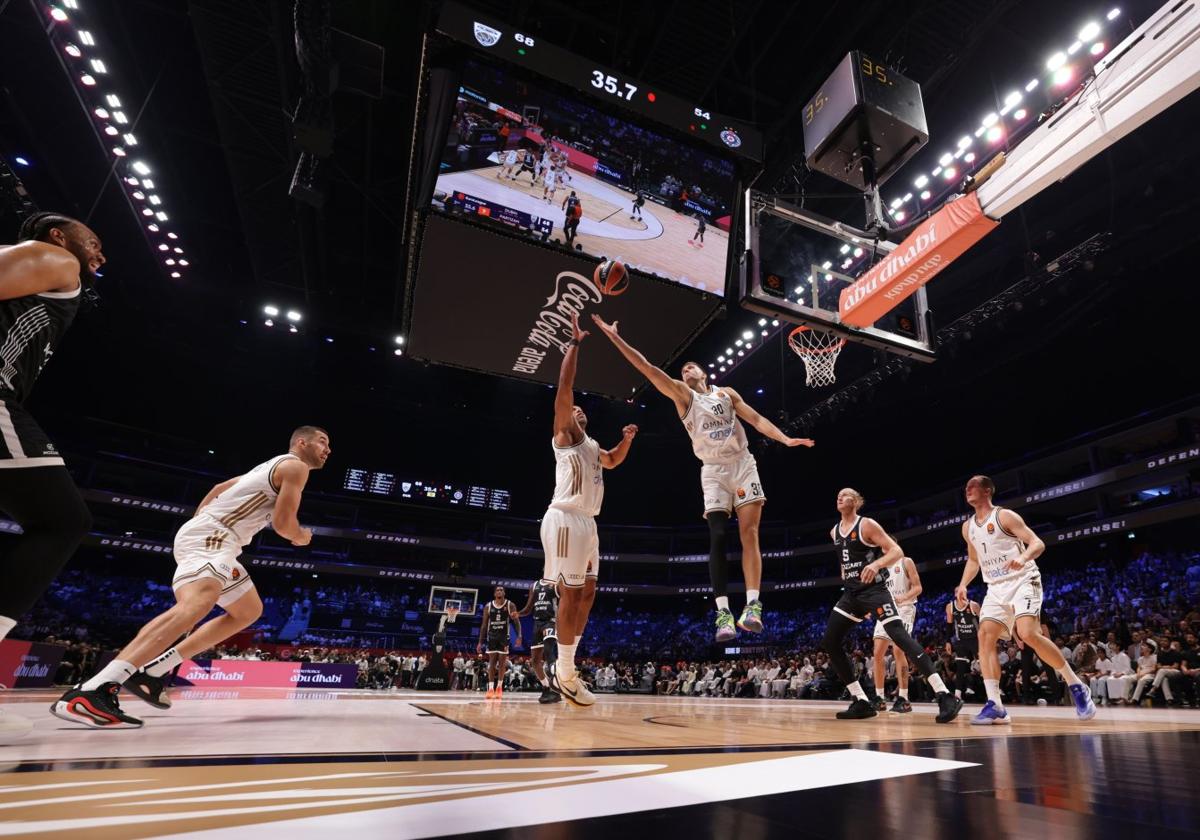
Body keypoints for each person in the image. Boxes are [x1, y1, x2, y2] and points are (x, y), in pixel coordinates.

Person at [51, 426, 331, 727]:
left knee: (248, 610)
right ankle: (94, 690)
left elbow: (220, 487)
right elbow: (283, 525)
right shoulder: (295, 467)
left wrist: (199, 523)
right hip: (215, 537)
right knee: (197, 604)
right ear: (301, 442)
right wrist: (301, 536)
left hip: (218, 539)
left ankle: (153, 672)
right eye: (322, 442)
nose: (328, 450)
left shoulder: (268, 467)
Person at [590, 314, 812, 641]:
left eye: (691, 367)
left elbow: (756, 419)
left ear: (704, 373)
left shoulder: (727, 394)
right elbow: (647, 369)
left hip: (742, 463)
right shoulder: (684, 396)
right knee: (718, 535)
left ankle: (753, 606)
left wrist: (785, 439)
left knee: (749, 533)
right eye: (683, 370)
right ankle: (723, 613)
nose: (686, 371)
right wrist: (614, 337)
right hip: (713, 470)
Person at [0, 212, 105, 739]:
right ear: (59, 236)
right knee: (63, 520)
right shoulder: (58, 260)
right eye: (94, 241)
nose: (100, 253)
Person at [543, 312, 638, 707]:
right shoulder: (565, 434)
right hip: (566, 518)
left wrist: (626, 440)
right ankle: (564, 673)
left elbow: (613, 460)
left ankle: (567, 664)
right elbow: (565, 387)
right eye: (574, 408)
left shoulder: (593, 447)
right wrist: (575, 344)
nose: (578, 409)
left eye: (583, 409)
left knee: (589, 592)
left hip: (588, 523)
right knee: (570, 595)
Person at [955, 475, 1096, 723]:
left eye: (973, 486)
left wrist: (1023, 558)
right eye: (966, 486)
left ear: (987, 490)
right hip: (995, 587)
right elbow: (974, 560)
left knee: (1028, 634)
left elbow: (1037, 543)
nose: (967, 489)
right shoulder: (968, 527)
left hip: (1023, 580)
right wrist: (963, 584)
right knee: (984, 636)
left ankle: (1076, 685)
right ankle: (995, 704)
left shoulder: (1004, 516)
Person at [821, 488, 962, 722]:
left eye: (845, 495)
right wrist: (847, 576)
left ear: (856, 501)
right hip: (852, 594)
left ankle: (944, 695)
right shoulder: (834, 531)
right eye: (838, 495)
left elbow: (896, 550)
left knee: (900, 638)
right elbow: (845, 561)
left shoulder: (867, 525)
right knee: (830, 641)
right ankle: (861, 701)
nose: (840, 497)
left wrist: (876, 565)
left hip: (875, 591)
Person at [870, 554, 922, 713]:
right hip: (885, 609)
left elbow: (918, 587)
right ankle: (879, 698)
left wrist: (904, 597)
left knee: (898, 651)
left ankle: (904, 698)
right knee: (877, 653)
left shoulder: (906, 561)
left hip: (904, 608)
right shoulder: (879, 566)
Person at [517, 579, 561, 703]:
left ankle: (556, 689)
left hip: (550, 621)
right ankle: (546, 687)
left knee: (548, 651)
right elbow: (528, 608)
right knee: (535, 660)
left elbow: (563, 604)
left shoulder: (556, 584)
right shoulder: (534, 585)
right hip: (537, 624)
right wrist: (518, 614)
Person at [476, 586, 521, 699]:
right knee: (491, 663)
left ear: (504, 593)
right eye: (497, 590)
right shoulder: (488, 606)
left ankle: (499, 687)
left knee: (501, 663)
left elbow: (516, 622)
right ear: (494, 594)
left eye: (501, 590)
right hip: (491, 637)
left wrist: (519, 636)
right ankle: (491, 688)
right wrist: (480, 642)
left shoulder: (510, 605)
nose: (499, 591)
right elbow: (484, 625)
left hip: (504, 637)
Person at [946, 592, 981, 700]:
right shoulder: (950, 606)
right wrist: (948, 641)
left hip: (975, 639)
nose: (961, 594)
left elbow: (983, 622)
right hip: (961, 640)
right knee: (960, 667)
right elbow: (949, 625)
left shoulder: (973, 605)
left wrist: (985, 639)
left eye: (963, 592)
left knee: (984, 666)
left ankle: (993, 693)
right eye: (958, 592)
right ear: (955, 594)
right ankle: (957, 695)